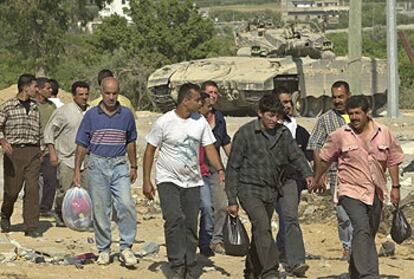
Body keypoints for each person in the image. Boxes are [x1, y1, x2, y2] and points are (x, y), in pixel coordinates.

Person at [311, 95, 404, 279]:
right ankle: (368, 274)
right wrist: (317, 178)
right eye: (350, 114)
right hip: (350, 190)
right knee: (361, 228)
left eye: (357, 113)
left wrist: (395, 187)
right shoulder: (340, 135)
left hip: (375, 191)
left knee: (368, 231)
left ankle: (354, 272)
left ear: (367, 113)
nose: (354, 117)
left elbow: (393, 159)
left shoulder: (383, 132)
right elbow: (324, 158)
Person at [226, 95, 313, 279]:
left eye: (277, 116)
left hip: (271, 189)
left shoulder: (283, 133)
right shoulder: (246, 133)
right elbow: (233, 167)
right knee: (262, 226)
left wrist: (308, 173)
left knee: (260, 231)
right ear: (260, 113)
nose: (274, 120)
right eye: (270, 115)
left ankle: (251, 270)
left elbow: (296, 155)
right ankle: (270, 271)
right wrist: (232, 199)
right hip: (249, 188)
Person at [143, 83, 225, 279]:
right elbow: (150, 150)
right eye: (197, 100)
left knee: (190, 223)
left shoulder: (200, 122)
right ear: (185, 101)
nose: (201, 103)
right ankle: (177, 263)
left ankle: (190, 262)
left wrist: (220, 169)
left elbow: (210, 147)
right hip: (168, 179)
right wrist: (146, 180)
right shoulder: (164, 122)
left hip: (192, 181)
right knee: (173, 219)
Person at [73, 77, 138, 267]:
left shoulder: (126, 115)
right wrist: (78, 169)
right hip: (96, 164)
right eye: (107, 93)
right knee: (101, 209)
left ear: (118, 93)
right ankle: (104, 249)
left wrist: (134, 165)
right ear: (101, 93)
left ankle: (126, 247)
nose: (111, 97)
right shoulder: (91, 115)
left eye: (114, 93)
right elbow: (82, 144)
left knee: (126, 204)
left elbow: (131, 141)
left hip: (119, 164)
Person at [307, 80, 354, 259]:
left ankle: (360, 246)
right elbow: (316, 146)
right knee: (343, 214)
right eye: (334, 97)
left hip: (360, 174)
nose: (337, 101)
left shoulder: (359, 115)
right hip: (337, 173)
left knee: (360, 212)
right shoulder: (326, 120)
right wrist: (320, 173)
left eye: (341, 96)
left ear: (349, 95)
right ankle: (347, 246)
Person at [274, 87, 312, 276]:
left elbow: (305, 158)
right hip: (265, 181)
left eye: (290, 102)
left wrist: (311, 176)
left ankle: (295, 261)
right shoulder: (257, 129)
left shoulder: (298, 131)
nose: (288, 106)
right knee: (265, 221)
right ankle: (270, 256)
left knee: (289, 216)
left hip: (290, 180)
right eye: (284, 102)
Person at [0, 74, 42, 238]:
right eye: (34, 86)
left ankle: (31, 226)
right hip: (14, 153)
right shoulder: (8, 106)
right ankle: (5, 215)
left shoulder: (35, 106)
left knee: (32, 189)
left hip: (32, 151)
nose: (36, 89)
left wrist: (41, 150)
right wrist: (3, 141)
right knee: (12, 191)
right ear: (25, 87)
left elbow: (39, 130)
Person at [44, 81, 90, 226]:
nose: (84, 97)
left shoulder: (91, 111)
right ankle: (59, 211)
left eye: (86, 94)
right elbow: (49, 132)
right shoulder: (64, 112)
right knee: (65, 189)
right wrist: (52, 153)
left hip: (87, 159)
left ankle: (79, 216)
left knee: (85, 191)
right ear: (74, 95)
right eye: (81, 94)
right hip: (66, 157)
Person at [201, 80, 232, 255]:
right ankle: (202, 241)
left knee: (221, 204)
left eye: (215, 93)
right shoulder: (195, 117)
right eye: (209, 92)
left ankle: (217, 240)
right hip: (196, 168)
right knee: (204, 207)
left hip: (214, 168)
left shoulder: (219, 117)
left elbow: (225, 141)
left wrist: (234, 165)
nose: (212, 96)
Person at [35, 77, 58, 217]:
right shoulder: (32, 106)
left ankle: (45, 208)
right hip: (34, 148)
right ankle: (32, 208)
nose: (51, 91)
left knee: (51, 180)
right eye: (47, 88)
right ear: (38, 89)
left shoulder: (52, 106)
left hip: (49, 148)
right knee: (33, 182)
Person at [197, 92, 215, 257]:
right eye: (208, 106)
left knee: (208, 208)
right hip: (184, 174)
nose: (211, 109)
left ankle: (205, 242)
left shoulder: (203, 123)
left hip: (202, 172)